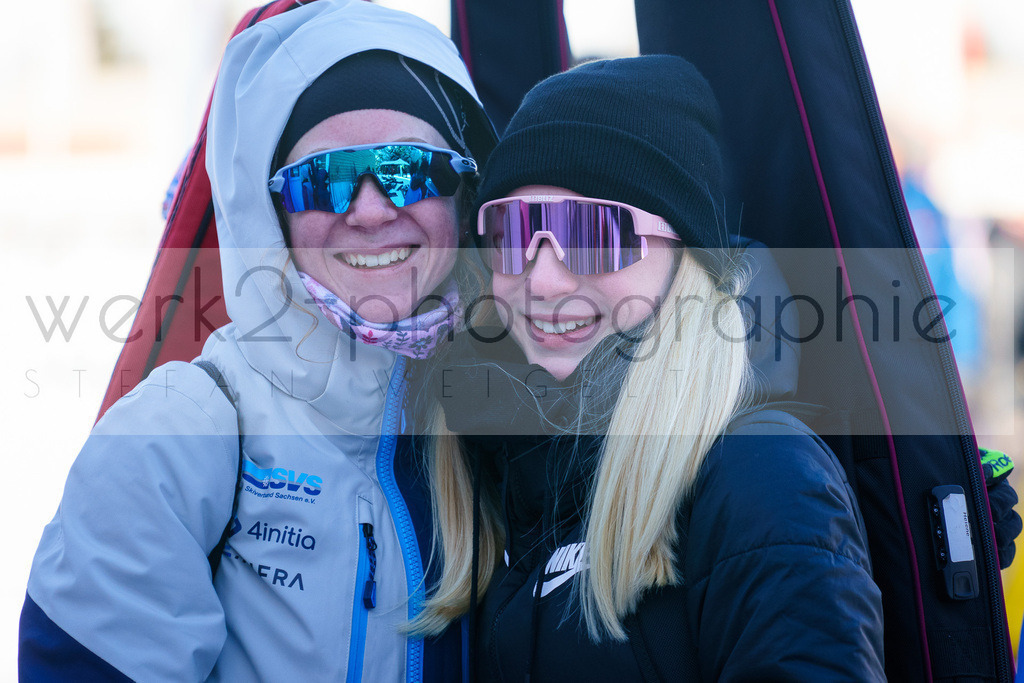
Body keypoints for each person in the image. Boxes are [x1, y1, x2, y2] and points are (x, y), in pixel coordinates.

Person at [20, 1, 495, 680]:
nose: (368, 209)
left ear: (464, 190)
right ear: (270, 213)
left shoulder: (510, 427)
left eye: (409, 168)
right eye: (322, 182)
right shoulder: (175, 437)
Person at [416, 56, 886, 680]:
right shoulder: (513, 468)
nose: (544, 278)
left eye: (593, 232)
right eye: (513, 230)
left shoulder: (761, 477)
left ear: (684, 255)